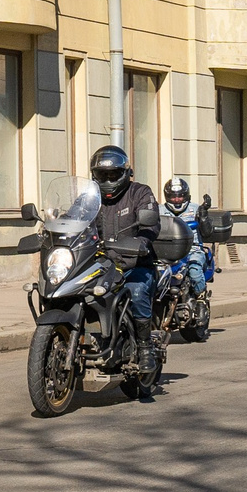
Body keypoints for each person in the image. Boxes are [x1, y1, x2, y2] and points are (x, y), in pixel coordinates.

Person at [84, 145, 167, 386]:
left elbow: (151, 224)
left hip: (134, 263)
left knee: (138, 290)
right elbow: (74, 218)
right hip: (98, 264)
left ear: (125, 173)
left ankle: (144, 349)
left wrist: (142, 241)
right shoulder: (90, 197)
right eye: (102, 175)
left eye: (113, 175)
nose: (108, 180)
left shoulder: (140, 192)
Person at [163, 175, 215, 297]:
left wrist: (203, 216)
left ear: (186, 196)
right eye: (173, 197)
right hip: (166, 252)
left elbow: (207, 233)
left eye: (180, 196)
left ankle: (200, 295)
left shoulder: (196, 208)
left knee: (194, 271)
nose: (177, 200)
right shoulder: (159, 210)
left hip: (193, 250)